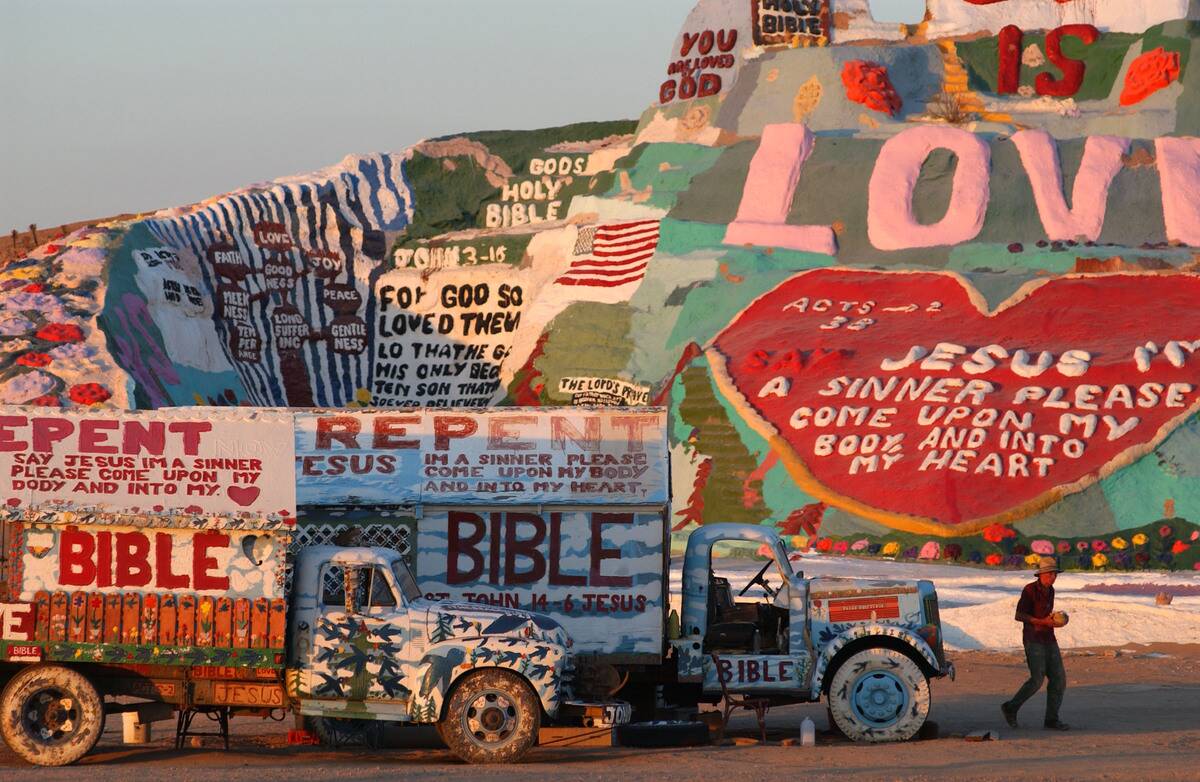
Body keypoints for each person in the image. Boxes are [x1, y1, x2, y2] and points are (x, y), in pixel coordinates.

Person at [1001, 556, 1069, 731]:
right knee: (1037, 679)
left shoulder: (1051, 590)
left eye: (1055, 574)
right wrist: (1041, 622)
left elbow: (1045, 616)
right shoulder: (1029, 590)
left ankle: (1051, 719)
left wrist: (1054, 620)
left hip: (1049, 637)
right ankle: (1011, 707)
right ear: (1041, 574)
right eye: (1050, 574)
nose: (1053, 577)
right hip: (1033, 638)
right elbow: (1019, 615)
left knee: (1059, 679)